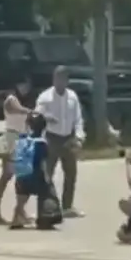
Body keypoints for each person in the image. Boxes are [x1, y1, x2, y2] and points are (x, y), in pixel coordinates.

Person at [35, 66, 85, 218]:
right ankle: (45, 207)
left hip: (68, 138)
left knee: (71, 173)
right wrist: (46, 117)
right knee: (47, 174)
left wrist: (79, 136)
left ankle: (67, 206)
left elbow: (78, 119)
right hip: (51, 138)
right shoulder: (45, 97)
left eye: (63, 78)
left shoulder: (72, 97)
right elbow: (36, 115)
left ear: (67, 80)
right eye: (57, 78)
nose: (60, 82)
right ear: (53, 79)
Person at [0, 73, 33, 224]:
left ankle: (20, 210)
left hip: (21, 139)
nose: (26, 88)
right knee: (7, 176)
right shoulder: (11, 100)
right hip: (10, 139)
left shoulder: (22, 100)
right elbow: (17, 110)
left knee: (21, 176)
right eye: (24, 85)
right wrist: (32, 112)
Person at [10, 113, 55, 230]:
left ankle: (16, 219)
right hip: (36, 176)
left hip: (22, 175)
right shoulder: (42, 143)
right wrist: (47, 176)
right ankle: (44, 217)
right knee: (44, 194)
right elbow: (43, 162)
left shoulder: (22, 140)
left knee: (21, 199)